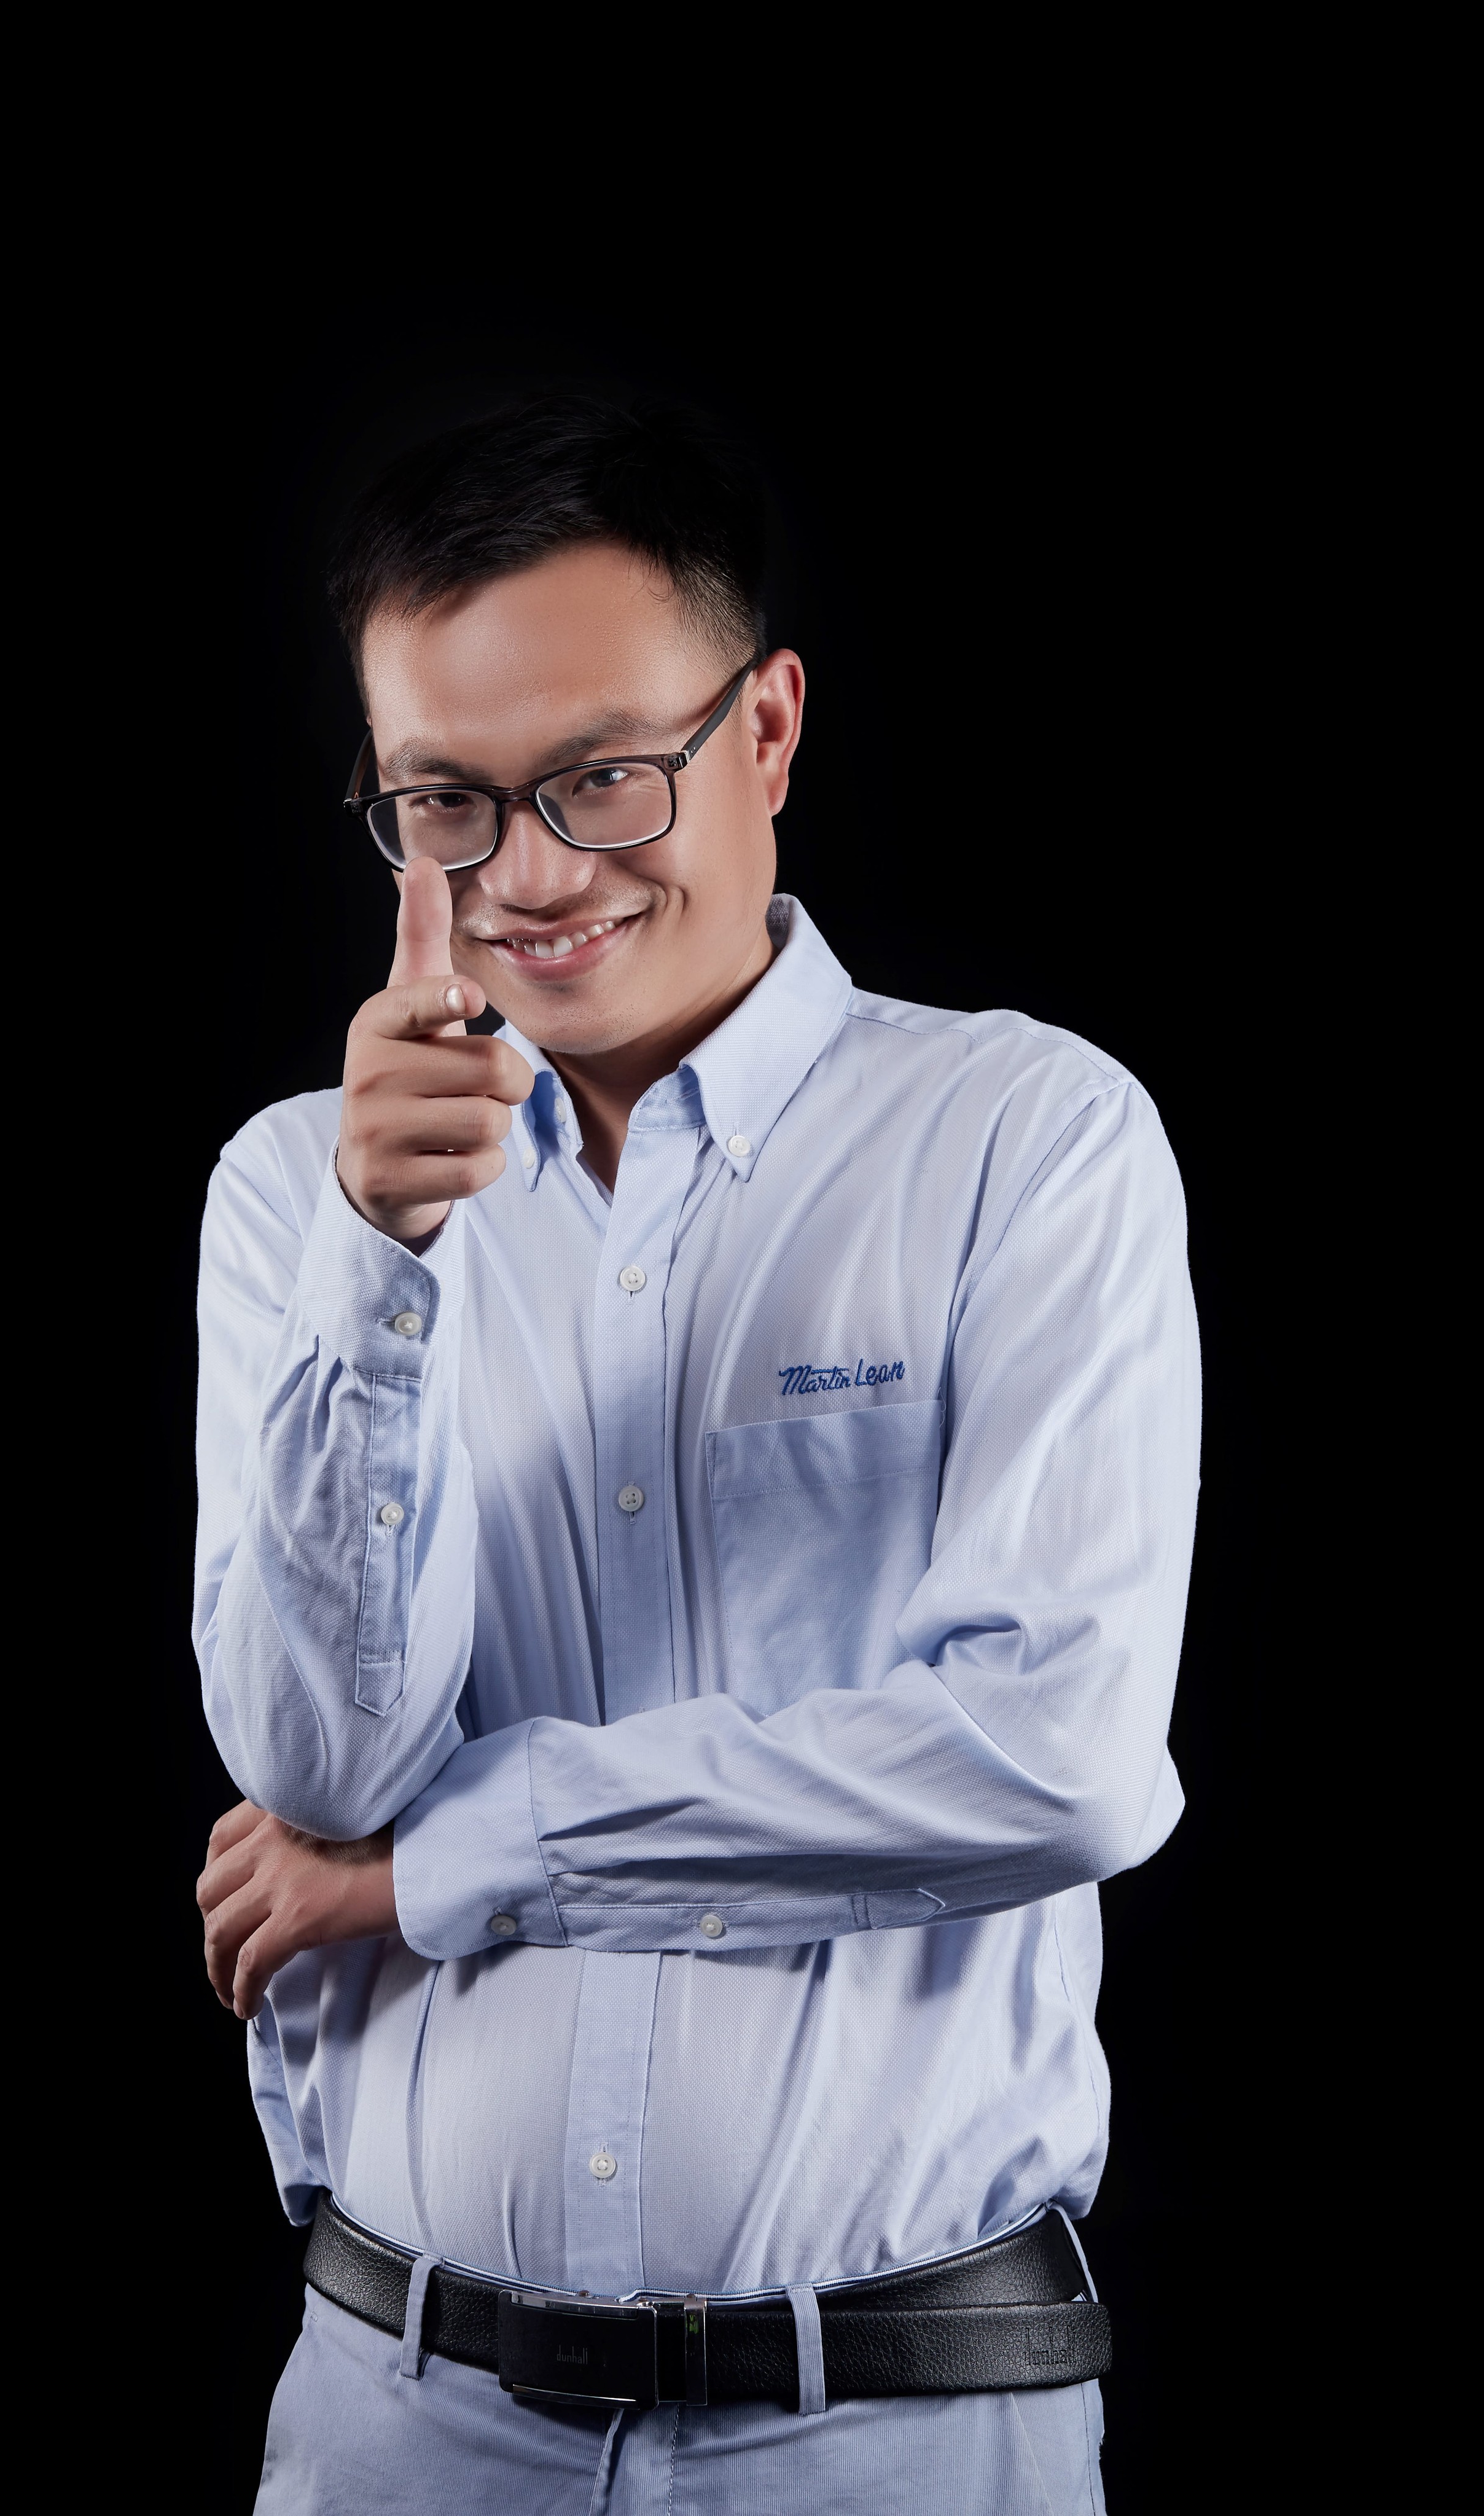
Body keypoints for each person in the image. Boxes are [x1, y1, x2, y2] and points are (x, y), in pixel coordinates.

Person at [192, 397, 1199, 2514]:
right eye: (445, 805)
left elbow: (1054, 1762)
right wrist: (382, 1269)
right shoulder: (302, 1190)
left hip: (899, 2433)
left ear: (767, 730)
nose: (530, 877)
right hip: (399, 2423)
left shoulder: (1022, 1138)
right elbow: (316, 1767)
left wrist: (444, 1868)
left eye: (601, 777)